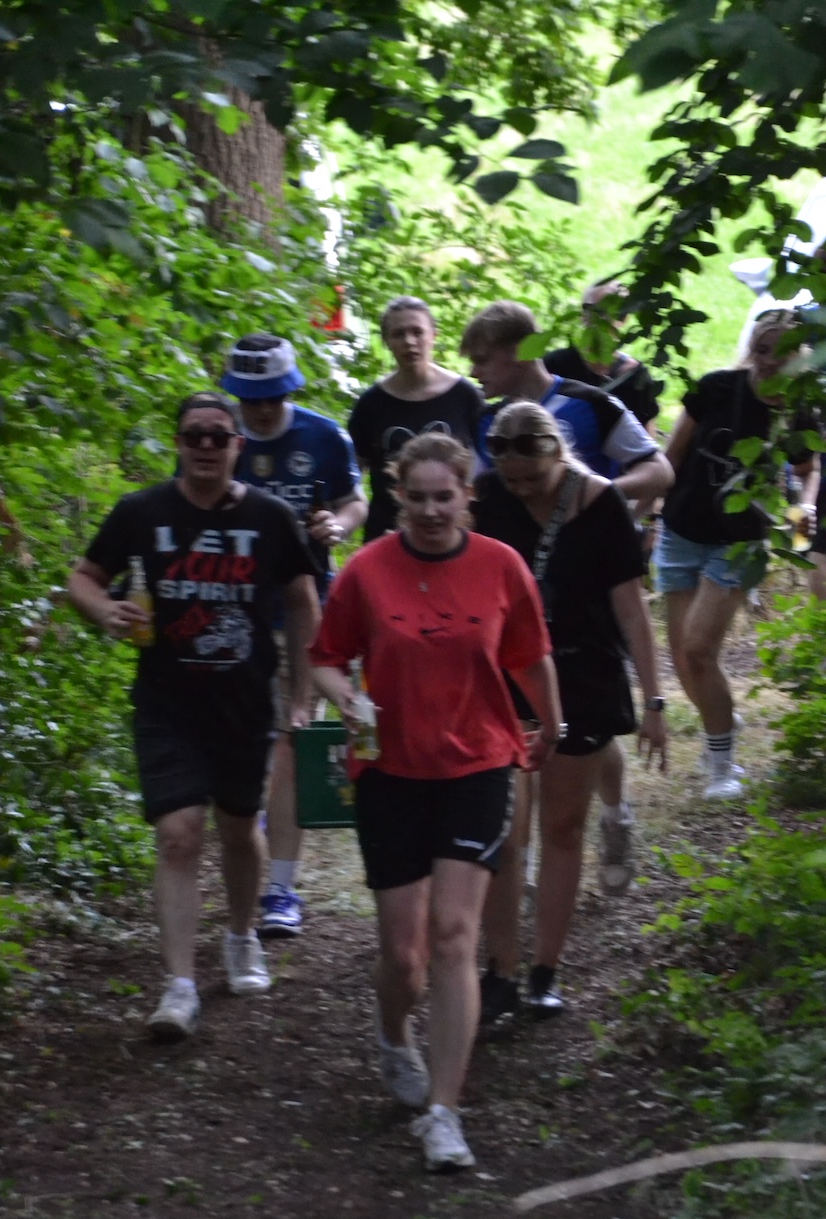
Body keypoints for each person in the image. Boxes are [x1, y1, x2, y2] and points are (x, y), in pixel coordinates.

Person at [310, 433, 561, 1173]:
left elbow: (529, 654)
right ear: (397, 496)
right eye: (415, 498)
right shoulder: (366, 570)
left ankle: (445, 1114)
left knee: (454, 933)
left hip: (479, 761)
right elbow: (324, 657)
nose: (429, 510)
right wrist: (345, 698)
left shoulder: (501, 565)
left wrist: (553, 723)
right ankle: (394, 1033)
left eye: (442, 497)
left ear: (467, 495)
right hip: (390, 769)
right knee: (405, 955)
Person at [67, 391, 321, 1040]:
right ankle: (178, 986)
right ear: (178, 444)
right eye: (193, 435)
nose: (206, 445)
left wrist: (303, 693)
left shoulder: (269, 517)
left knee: (238, 825)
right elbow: (83, 578)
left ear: (238, 445)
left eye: (217, 435)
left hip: (244, 701)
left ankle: (241, 936)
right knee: (179, 834)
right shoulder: (141, 512)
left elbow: (302, 600)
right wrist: (104, 610)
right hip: (167, 701)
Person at [462, 299, 675, 895]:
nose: (475, 372)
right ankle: (524, 863)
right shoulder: (490, 425)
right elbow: (482, 503)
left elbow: (659, 471)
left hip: (589, 587)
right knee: (528, 741)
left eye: (483, 359)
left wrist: (595, 502)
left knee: (590, 732)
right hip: (525, 607)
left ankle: (614, 812)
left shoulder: (590, 403)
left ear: (517, 351)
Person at [473, 401, 668, 1020]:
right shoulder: (487, 498)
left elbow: (632, 608)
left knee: (561, 827)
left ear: (558, 453)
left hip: (583, 675)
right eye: (513, 480)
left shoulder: (601, 503)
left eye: (534, 477)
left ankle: (545, 971)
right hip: (507, 677)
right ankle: (500, 969)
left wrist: (654, 698)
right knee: (505, 831)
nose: (524, 489)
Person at [220, 333, 367, 937]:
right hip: (230, 615)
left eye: (271, 398)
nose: (260, 411)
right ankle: (250, 830)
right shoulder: (215, 439)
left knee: (293, 741)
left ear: (290, 391)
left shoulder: (324, 437)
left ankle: (280, 888)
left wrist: (339, 525)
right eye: (249, 399)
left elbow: (355, 501)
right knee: (242, 748)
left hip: (307, 613)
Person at [655, 310, 817, 797]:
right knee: (685, 661)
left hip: (740, 542)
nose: (769, 361)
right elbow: (671, 457)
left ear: (799, 358)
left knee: (699, 649)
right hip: (680, 529)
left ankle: (723, 769)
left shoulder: (797, 411)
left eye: (782, 353)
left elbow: (807, 470)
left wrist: (803, 514)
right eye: (762, 349)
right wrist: (644, 515)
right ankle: (719, 717)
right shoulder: (716, 388)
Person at [347, 296, 483, 542]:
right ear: (387, 341)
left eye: (417, 332)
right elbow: (350, 475)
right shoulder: (371, 403)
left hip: (452, 533)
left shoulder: (465, 396)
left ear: (433, 335)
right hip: (387, 535)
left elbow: (486, 466)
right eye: (399, 334)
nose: (409, 341)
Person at [545, 280, 663, 431]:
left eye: (604, 312)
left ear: (623, 319)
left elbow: (646, 435)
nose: (596, 319)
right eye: (589, 309)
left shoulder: (636, 377)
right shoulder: (556, 364)